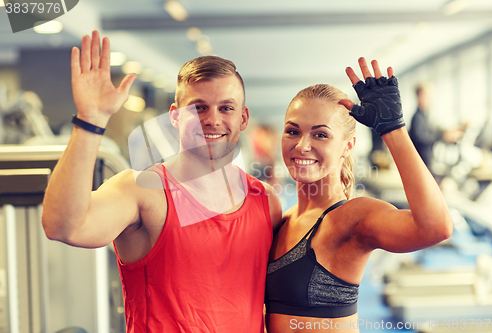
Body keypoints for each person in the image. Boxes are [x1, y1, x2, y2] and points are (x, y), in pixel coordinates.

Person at [41, 30, 282, 332]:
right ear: (175, 117)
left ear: (243, 118)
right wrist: (91, 119)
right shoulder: (141, 191)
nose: (212, 119)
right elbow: (62, 226)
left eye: (226, 108)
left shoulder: (266, 201)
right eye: (198, 107)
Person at [264, 58, 454, 333]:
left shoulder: (351, 218)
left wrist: (394, 130)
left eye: (320, 135)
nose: (302, 145)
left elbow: (436, 227)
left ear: (347, 145)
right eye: (293, 131)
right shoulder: (285, 218)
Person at [409, 83, 466, 169]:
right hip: (422, 161)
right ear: (419, 96)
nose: (430, 99)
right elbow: (421, 137)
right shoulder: (417, 117)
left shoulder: (425, 116)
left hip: (426, 159)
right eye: (427, 96)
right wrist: (443, 135)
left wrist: (446, 132)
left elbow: (434, 130)